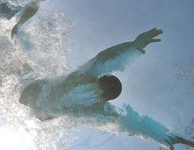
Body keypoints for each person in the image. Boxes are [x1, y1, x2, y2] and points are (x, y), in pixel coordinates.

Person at [19, 28, 194, 150]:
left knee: (23, 116)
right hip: (37, 89)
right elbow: (105, 57)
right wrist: (132, 47)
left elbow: (136, 125)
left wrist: (167, 137)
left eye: (104, 94)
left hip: (44, 114)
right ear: (98, 79)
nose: (98, 92)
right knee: (13, 91)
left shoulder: (99, 109)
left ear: (106, 99)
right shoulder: (85, 75)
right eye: (101, 86)